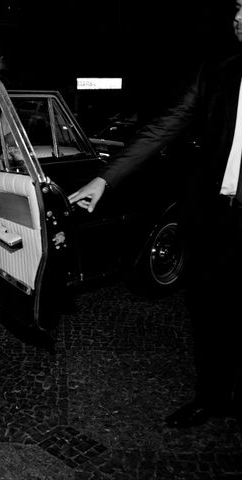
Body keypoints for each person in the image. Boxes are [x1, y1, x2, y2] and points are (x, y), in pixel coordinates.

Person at [68, 2, 242, 428]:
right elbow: (163, 126)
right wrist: (104, 180)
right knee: (210, 311)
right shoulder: (218, 70)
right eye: (236, 8)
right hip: (217, 216)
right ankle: (213, 397)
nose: (236, 18)